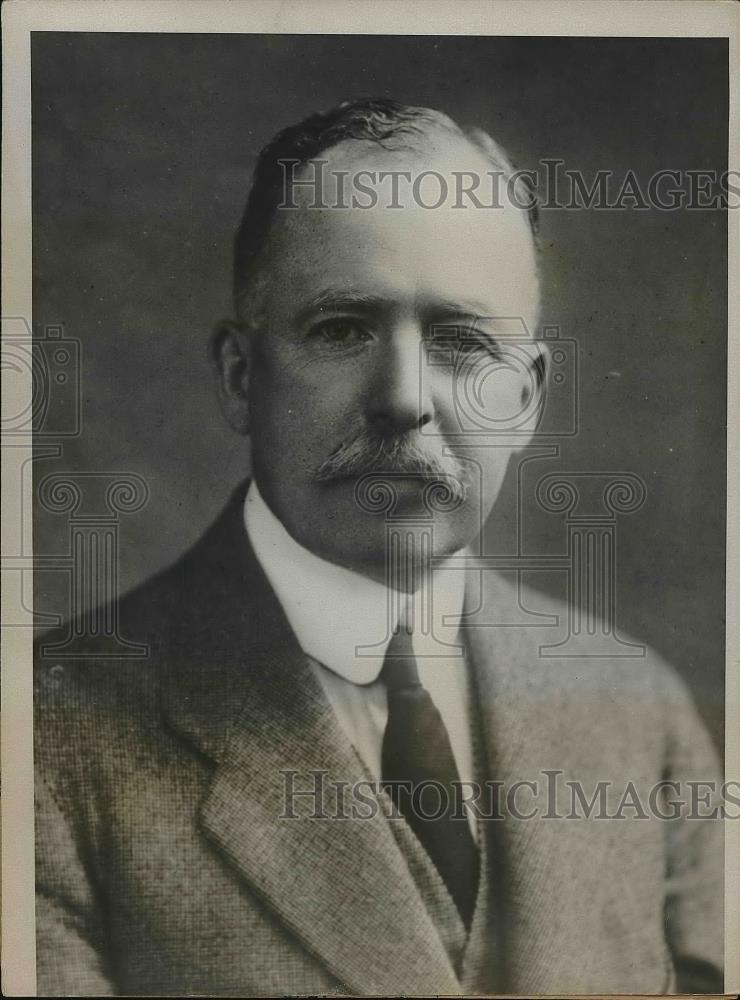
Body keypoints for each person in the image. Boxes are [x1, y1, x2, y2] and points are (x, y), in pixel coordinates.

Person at [34, 98, 723, 996]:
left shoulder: (640, 713)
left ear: (527, 398)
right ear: (241, 379)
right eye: (341, 329)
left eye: (463, 341)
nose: (404, 399)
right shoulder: (44, 743)